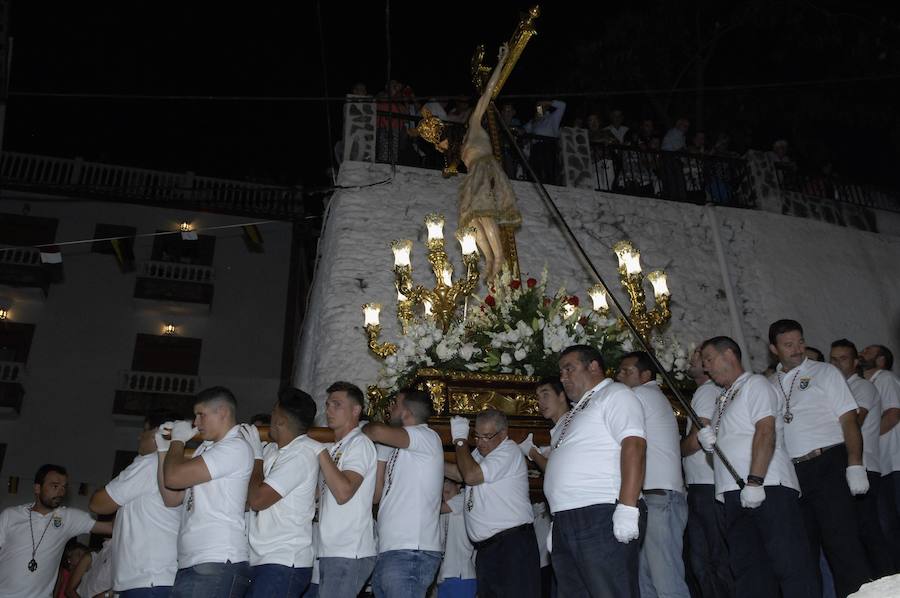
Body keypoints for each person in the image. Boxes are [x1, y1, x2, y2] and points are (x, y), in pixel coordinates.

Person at [697, 336, 818, 598]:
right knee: (749, 570)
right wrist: (711, 443)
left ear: (729, 354)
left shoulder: (755, 384)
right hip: (733, 493)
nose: (705, 367)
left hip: (768, 486)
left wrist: (755, 480)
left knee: (789, 564)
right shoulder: (722, 399)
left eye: (708, 359)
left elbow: (765, 431)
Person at [768, 319, 872, 596]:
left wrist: (855, 464)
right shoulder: (768, 384)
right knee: (803, 552)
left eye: (800, 342)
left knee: (843, 546)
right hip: (793, 475)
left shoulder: (824, 372)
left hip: (828, 464)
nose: (797, 349)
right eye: (788, 345)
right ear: (773, 349)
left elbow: (849, 420)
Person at [545, 344, 647, 597]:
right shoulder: (577, 410)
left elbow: (634, 445)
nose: (563, 377)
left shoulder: (615, 394)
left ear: (593, 366)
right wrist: (559, 520)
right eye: (560, 372)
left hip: (600, 512)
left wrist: (627, 506)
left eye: (569, 368)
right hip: (568, 518)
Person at [158, 386, 254, 597]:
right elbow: (171, 497)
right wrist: (163, 450)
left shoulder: (234, 447)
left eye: (201, 415)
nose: (196, 423)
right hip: (194, 562)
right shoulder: (205, 449)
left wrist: (178, 441)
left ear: (223, 412)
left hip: (217, 560)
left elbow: (173, 477)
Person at [616, 351, 691, 598]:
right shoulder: (648, 396)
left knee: (665, 580)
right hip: (654, 497)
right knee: (648, 582)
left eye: (627, 371)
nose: (619, 376)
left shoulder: (641, 394)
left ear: (646, 375)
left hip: (659, 496)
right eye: (619, 371)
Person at [447, 408, 540, 597]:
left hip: (511, 546)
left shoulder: (508, 450)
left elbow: (471, 476)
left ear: (503, 433)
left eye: (486, 436)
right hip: (487, 549)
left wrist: (460, 440)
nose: (480, 443)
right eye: (477, 436)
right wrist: (432, 460)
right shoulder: (480, 454)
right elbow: (460, 473)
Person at [90, 410, 182, 597]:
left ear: (161, 433)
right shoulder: (172, 465)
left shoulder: (150, 463)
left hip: (148, 580)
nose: (140, 436)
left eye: (145, 430)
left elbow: (99, 504)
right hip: (152, 579)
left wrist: (99, 491)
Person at [241, 388, 323, 597]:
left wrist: (256, 459)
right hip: (264, 558)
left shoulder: (301, 453)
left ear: (280, 420)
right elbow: (248, 499)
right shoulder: (274, 450)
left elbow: (258, 500)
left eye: (273, 413)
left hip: (284, 560)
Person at [363, 388, 444, 597]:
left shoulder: (425, 436)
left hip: (411, 551)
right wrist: (381, 453)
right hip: (389, 549)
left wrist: (358, 429)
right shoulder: (397, 446)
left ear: (407, 411)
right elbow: (377, 496)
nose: (390, 408)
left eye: (395, 403)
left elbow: (376, 431)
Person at [830, 339, 895, 577]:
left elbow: (854, 423)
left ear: (856, 362)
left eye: (843, 359)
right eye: (833, 359)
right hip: (843, 466)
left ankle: (887, 580)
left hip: (864, 466)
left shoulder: (862, 387)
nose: (836, 364)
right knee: (854, 531)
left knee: (869, 529)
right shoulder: (834, 388)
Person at [458, 43, 522, 281]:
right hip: (473, 177)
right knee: (472, 221)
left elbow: (488, 92)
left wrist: (502, 61)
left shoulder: (475, 123)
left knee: (484, 214)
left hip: (485, 169)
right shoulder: (463, 143)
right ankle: (488, 258)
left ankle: (499, 257)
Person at [0, 464, 112, 597]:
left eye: (64, 487)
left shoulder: (68, 518)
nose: (61, 492)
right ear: (37, 488)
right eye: (55, 486)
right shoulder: (11, 515)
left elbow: (110, 528)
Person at [316, 381, 378, 598]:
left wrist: (318, 452)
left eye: (337, 404)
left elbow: (344, 492)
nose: (329, 410)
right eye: (327, 405)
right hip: (333, 549)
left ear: (355, 410)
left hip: (349, 550)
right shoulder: (335, 449)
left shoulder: (359, 444)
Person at [680, 349, 733, 598]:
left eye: (697, 357)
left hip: (705, 484)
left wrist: (676, 450)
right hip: (704, 483)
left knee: (711, 559)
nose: (690, 360)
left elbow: (699, 436)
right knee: (708, 559)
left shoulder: (705, 391)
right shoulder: (711, 391)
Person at [859, 344, 900, 568]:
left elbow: (893, 414)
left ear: (882, 360)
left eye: (868, 351)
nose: (862, 353)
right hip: (885, 464)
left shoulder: (884, 378)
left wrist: (865, 439)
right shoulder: (868, 384)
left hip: (895, 462)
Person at [518, 376, 569, 472]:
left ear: (562, 396)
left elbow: (553, 470)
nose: (540, 402)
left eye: (545, 395)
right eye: (538, 397)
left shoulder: (568, 426)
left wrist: (532, 452)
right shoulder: (561, 426)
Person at [436, 478, 476, 598]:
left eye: (447, 492)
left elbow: (438, 508)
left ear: (459, 485)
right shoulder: (443, 511)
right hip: (444, 576)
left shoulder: (464, 497)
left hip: (462, 575)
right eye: (442, 493)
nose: (445, 496)